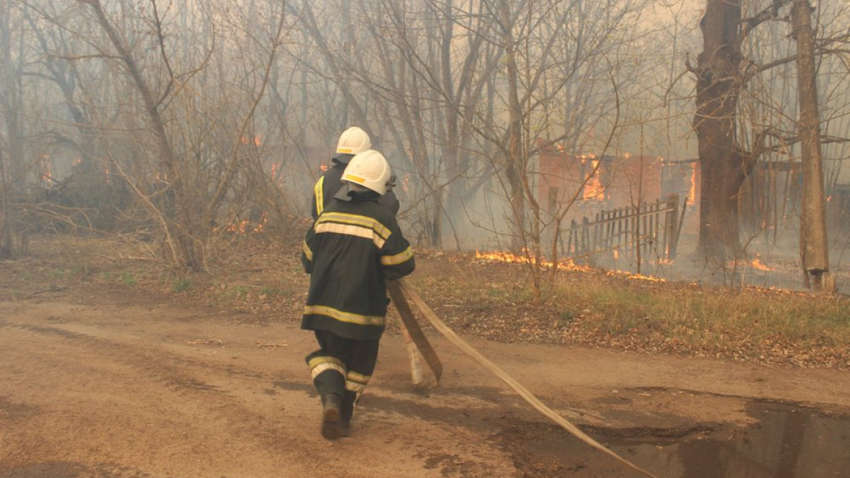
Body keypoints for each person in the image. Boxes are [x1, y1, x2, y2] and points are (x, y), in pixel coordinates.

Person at [301, 149, 415, 440]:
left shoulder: (326, 215)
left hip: (321, 309)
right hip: (363, 313)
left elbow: (307, 259)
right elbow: (401, 264)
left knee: (328, 356)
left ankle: (330, 400)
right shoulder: (381, 219)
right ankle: (345, 412)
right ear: (380, 186)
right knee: (360, 365)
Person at [311, 126, 399, 220]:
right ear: (366, 152)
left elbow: (317, 215)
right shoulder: (373, 178)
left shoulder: (323, 180)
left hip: (326, 232)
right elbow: (391, 207)